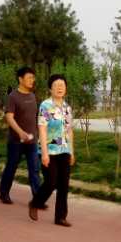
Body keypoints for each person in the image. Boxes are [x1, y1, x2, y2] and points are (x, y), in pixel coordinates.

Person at [28, 74, 75, 226]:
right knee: (51, 182)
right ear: (50, 89)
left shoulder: (67, 108)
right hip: (49, 150)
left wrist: (71, 151)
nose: (60, 88)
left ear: (66, 88)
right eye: (56, 85)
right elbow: (42, 129)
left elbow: (69, 130)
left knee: (64, 185)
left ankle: (60, 217)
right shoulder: (46, 106)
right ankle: (36, 202)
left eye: (62, 85)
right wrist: (44, 153)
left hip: (64, 150)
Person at [0, 66, 41, 205]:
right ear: (20, 79)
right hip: (16, 141)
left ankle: (38, 199)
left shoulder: (33, 96)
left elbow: (35, 117)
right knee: (11, 168)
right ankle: (4, 193)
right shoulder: (13, 96)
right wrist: (20, 132)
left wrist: (38, 134)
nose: (32, 80)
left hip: (32, 141)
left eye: (33, 78)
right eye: (29, 78)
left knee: (34, 169)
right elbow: (9, 117)